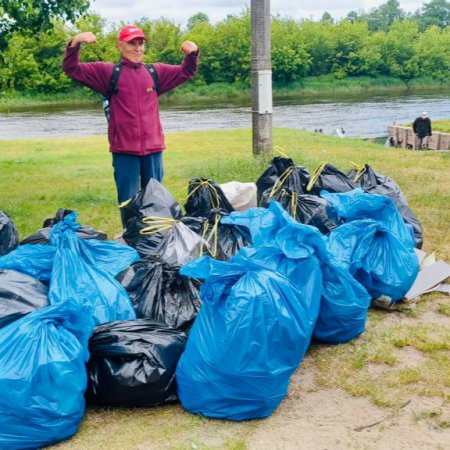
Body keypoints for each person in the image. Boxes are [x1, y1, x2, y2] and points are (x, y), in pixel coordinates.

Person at [63, 25, 199, 220]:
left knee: (156, 200)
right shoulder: (109, 73)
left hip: (153, 150)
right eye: (132, 43)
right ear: (120, 46)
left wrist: (193, 53)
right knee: (128, 203)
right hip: (125, 151)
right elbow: (72, 69)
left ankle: (155, 241)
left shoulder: (155, 72)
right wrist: (75, 42)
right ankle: (132, 240)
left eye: (140, 43)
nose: (137, 48)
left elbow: (186, 72)